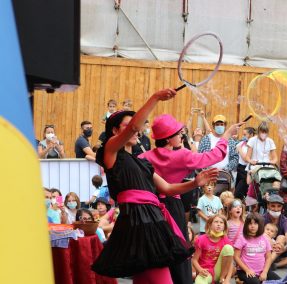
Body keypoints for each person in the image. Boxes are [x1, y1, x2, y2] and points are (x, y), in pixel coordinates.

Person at [92, 88, 218, 283]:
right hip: (138, 222)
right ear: (116, 131)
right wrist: (156, 98)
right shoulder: (110, 151)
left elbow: (167, 188)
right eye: (127, 126)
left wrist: (195, 182)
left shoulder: (141, 162)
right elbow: (134, 128)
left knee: (147, 279)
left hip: (151, 221)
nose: (138, 128)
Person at [139, 113, 241, 284]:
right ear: (169, 139)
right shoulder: (181, 156)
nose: (181, 136)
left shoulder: (144, 157)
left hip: (150, 207)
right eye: (179, 133)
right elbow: (214, 156)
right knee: (178, 248)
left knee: (156, 248)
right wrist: (226, 136)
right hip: (171, 206)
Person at [192, 214, 234, 284]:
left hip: (219, 272)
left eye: (221, 222)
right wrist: (200, 270)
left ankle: (221, 279)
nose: (218, 224)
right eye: (216, 222)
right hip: (206, 272)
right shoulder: (201, 239)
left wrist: (227, 279)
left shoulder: (226, 240)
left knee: (228, 248)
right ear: (210, 224)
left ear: (224, 226)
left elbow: (230, 263)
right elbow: (194, 260)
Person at [234, 213, 272, 284]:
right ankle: (240, 280)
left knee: (280, 281)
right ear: (246, 225)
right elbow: (236, 257)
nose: (252, 226)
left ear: (260, 225)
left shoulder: (264, 238)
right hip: (244, 271)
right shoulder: (242, 238)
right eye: (250, 223)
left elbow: (269, 257)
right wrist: (247, 270)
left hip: (261, 270)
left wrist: (265, 272)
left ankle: (241, 282)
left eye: (255, 224)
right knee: (256, 283)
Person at [263, 195, 287, 273]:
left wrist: (284, 248)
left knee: (282, 237)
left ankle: (269, 264)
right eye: (273, 206)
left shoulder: (285, 221)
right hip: (264, 249)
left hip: (278, 250)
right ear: (268, 206)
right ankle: (271, 264)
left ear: (282, 207)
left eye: (279, 206)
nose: (276, 209)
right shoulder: (262, 219)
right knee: (264, 235)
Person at [235, 127, 256, 200]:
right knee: (238, 192)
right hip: (239, 168)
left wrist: (240, 149)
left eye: (245, 134)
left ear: (251, 134)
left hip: (246, 170)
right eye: (243, 134)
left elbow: (246, 159)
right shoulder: (242, 143)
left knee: (238, 193)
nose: (243, 136)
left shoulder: (253, 145)